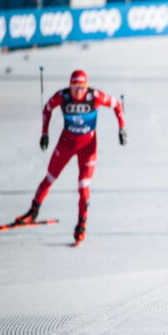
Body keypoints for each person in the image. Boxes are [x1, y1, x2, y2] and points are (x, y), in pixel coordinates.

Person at [14, 70, 126, 243]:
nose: (78, 92)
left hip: (88, 147)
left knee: (83, 186)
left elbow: (117, 104)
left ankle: (81, 225)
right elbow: (47, 108)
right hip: (66, 142)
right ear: (70, 85)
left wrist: (122, 129)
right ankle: (33, 211)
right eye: (75, 87)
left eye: (81, 87)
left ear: (86, 87)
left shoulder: (94, 96)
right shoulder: (63, 96)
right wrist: (44, 133)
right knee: (50, 177)